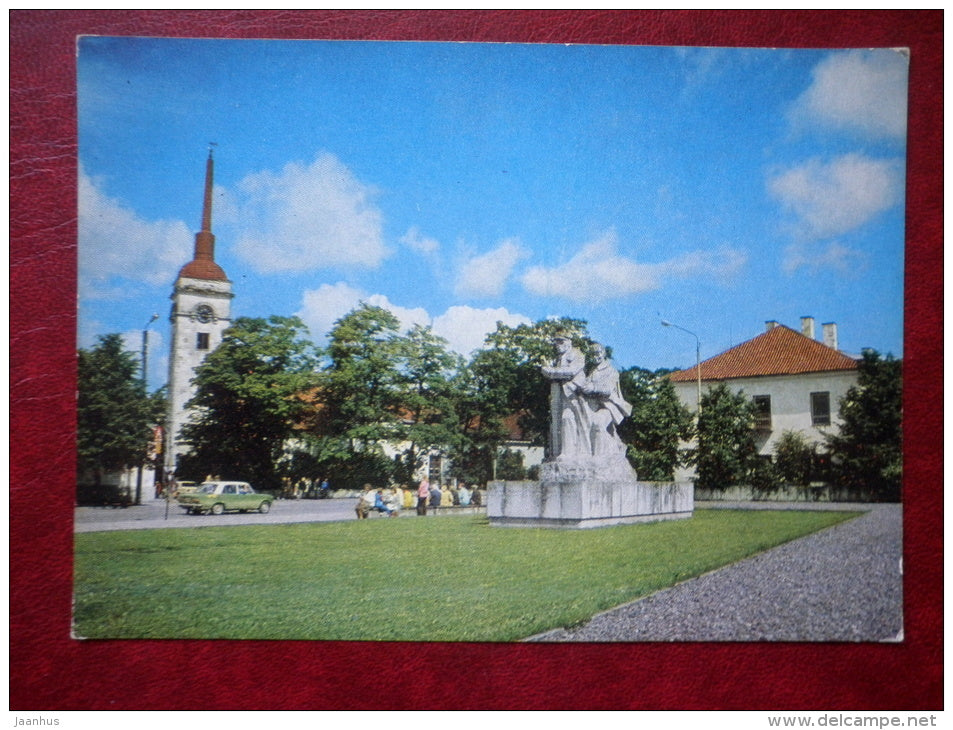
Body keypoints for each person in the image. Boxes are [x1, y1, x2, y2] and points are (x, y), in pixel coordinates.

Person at [541, 334, 589, 459]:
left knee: (567, 418)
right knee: (555, 423)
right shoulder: (559, 358)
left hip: (573, 395)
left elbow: (571, 371)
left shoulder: (577, 355)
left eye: (561, 342)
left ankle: (568, 453)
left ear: (569, 342)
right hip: (558, 394)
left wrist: (550, 372)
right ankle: (556, 453)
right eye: (556, 342)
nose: (557, 345)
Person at [581, 343, 633, 457]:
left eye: (598, 353)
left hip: (609, 406)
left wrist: (593, 388)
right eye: (593, 355)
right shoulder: (591, 371)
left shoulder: (611, 371)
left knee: (597, 424)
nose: (596, 357)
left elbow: (608, 389)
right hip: (592, 406)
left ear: (603, 353)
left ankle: (598, 459)